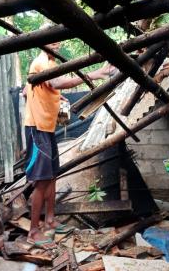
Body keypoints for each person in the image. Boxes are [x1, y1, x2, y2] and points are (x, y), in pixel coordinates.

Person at [23, 42, 114, 248]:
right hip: (37, 128)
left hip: (46, 128)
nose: (58, 44)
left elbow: (30, 90)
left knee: (53, 175)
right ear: (43, 42)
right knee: (42, 180)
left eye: (58, 41)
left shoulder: (49, 63)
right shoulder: (41, 62)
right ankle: (33, 231)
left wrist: (53, 97)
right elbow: (57, 83)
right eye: (53, 41)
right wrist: (96, 73)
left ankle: (50, 220)